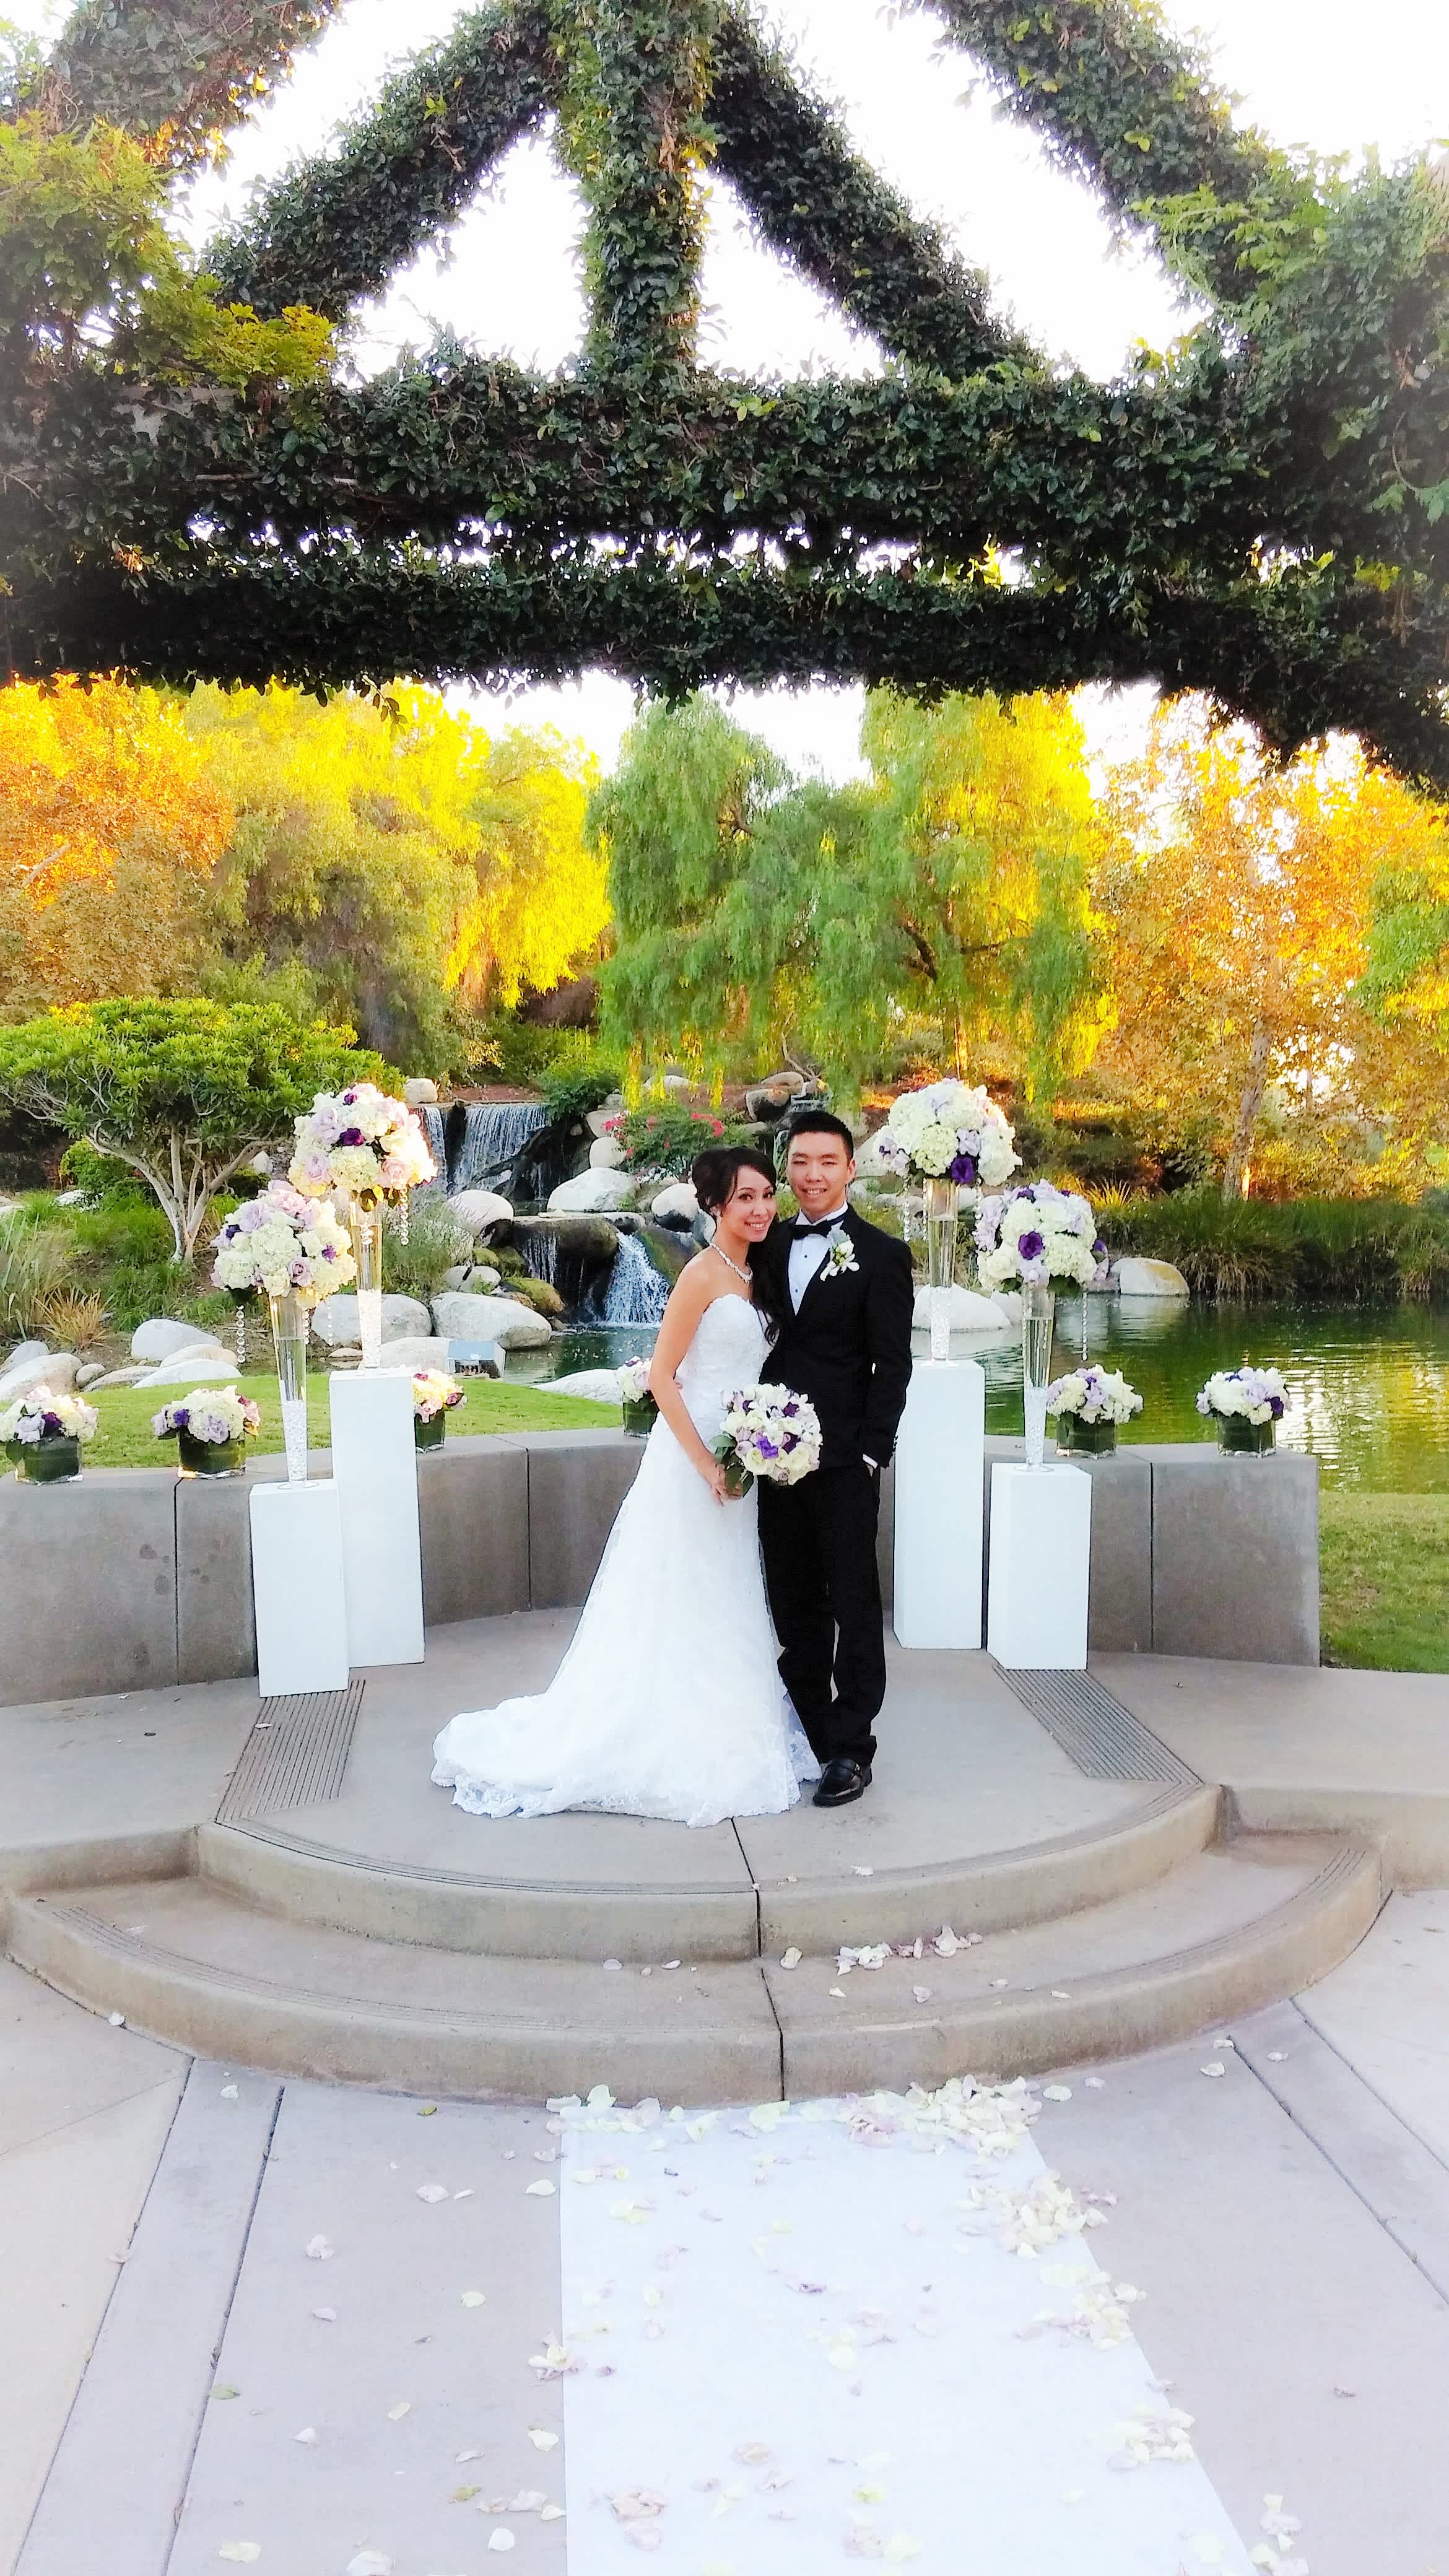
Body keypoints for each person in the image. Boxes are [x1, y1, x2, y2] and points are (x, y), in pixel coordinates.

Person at [431, 1145, 819, 1829]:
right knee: (679, 1586)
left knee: (727, 1585)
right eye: (745, 1198)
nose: (761, 1209)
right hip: (694, 1456)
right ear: (714, 1205)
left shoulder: (759, 1272)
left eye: (767, 1195)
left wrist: (764, 1437)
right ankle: (659, 1724)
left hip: (743, 1452)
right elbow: (664, 1377)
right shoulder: (700, 1274)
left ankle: (727, 1718)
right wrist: (705, 1463)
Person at [754, 1110, 914, 1807]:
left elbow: (893, 1364)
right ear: (786, 1168)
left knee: (853, 1600)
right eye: (800, 1161)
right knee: (793, 1601)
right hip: (769, 1457)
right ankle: (814, 1729)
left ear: (850, 1168)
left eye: (826, 1161)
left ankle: (852, 1747)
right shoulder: (765, 1243)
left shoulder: (881, 1255)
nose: (812, 1174)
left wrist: (873, 1451)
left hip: (846, 1459)